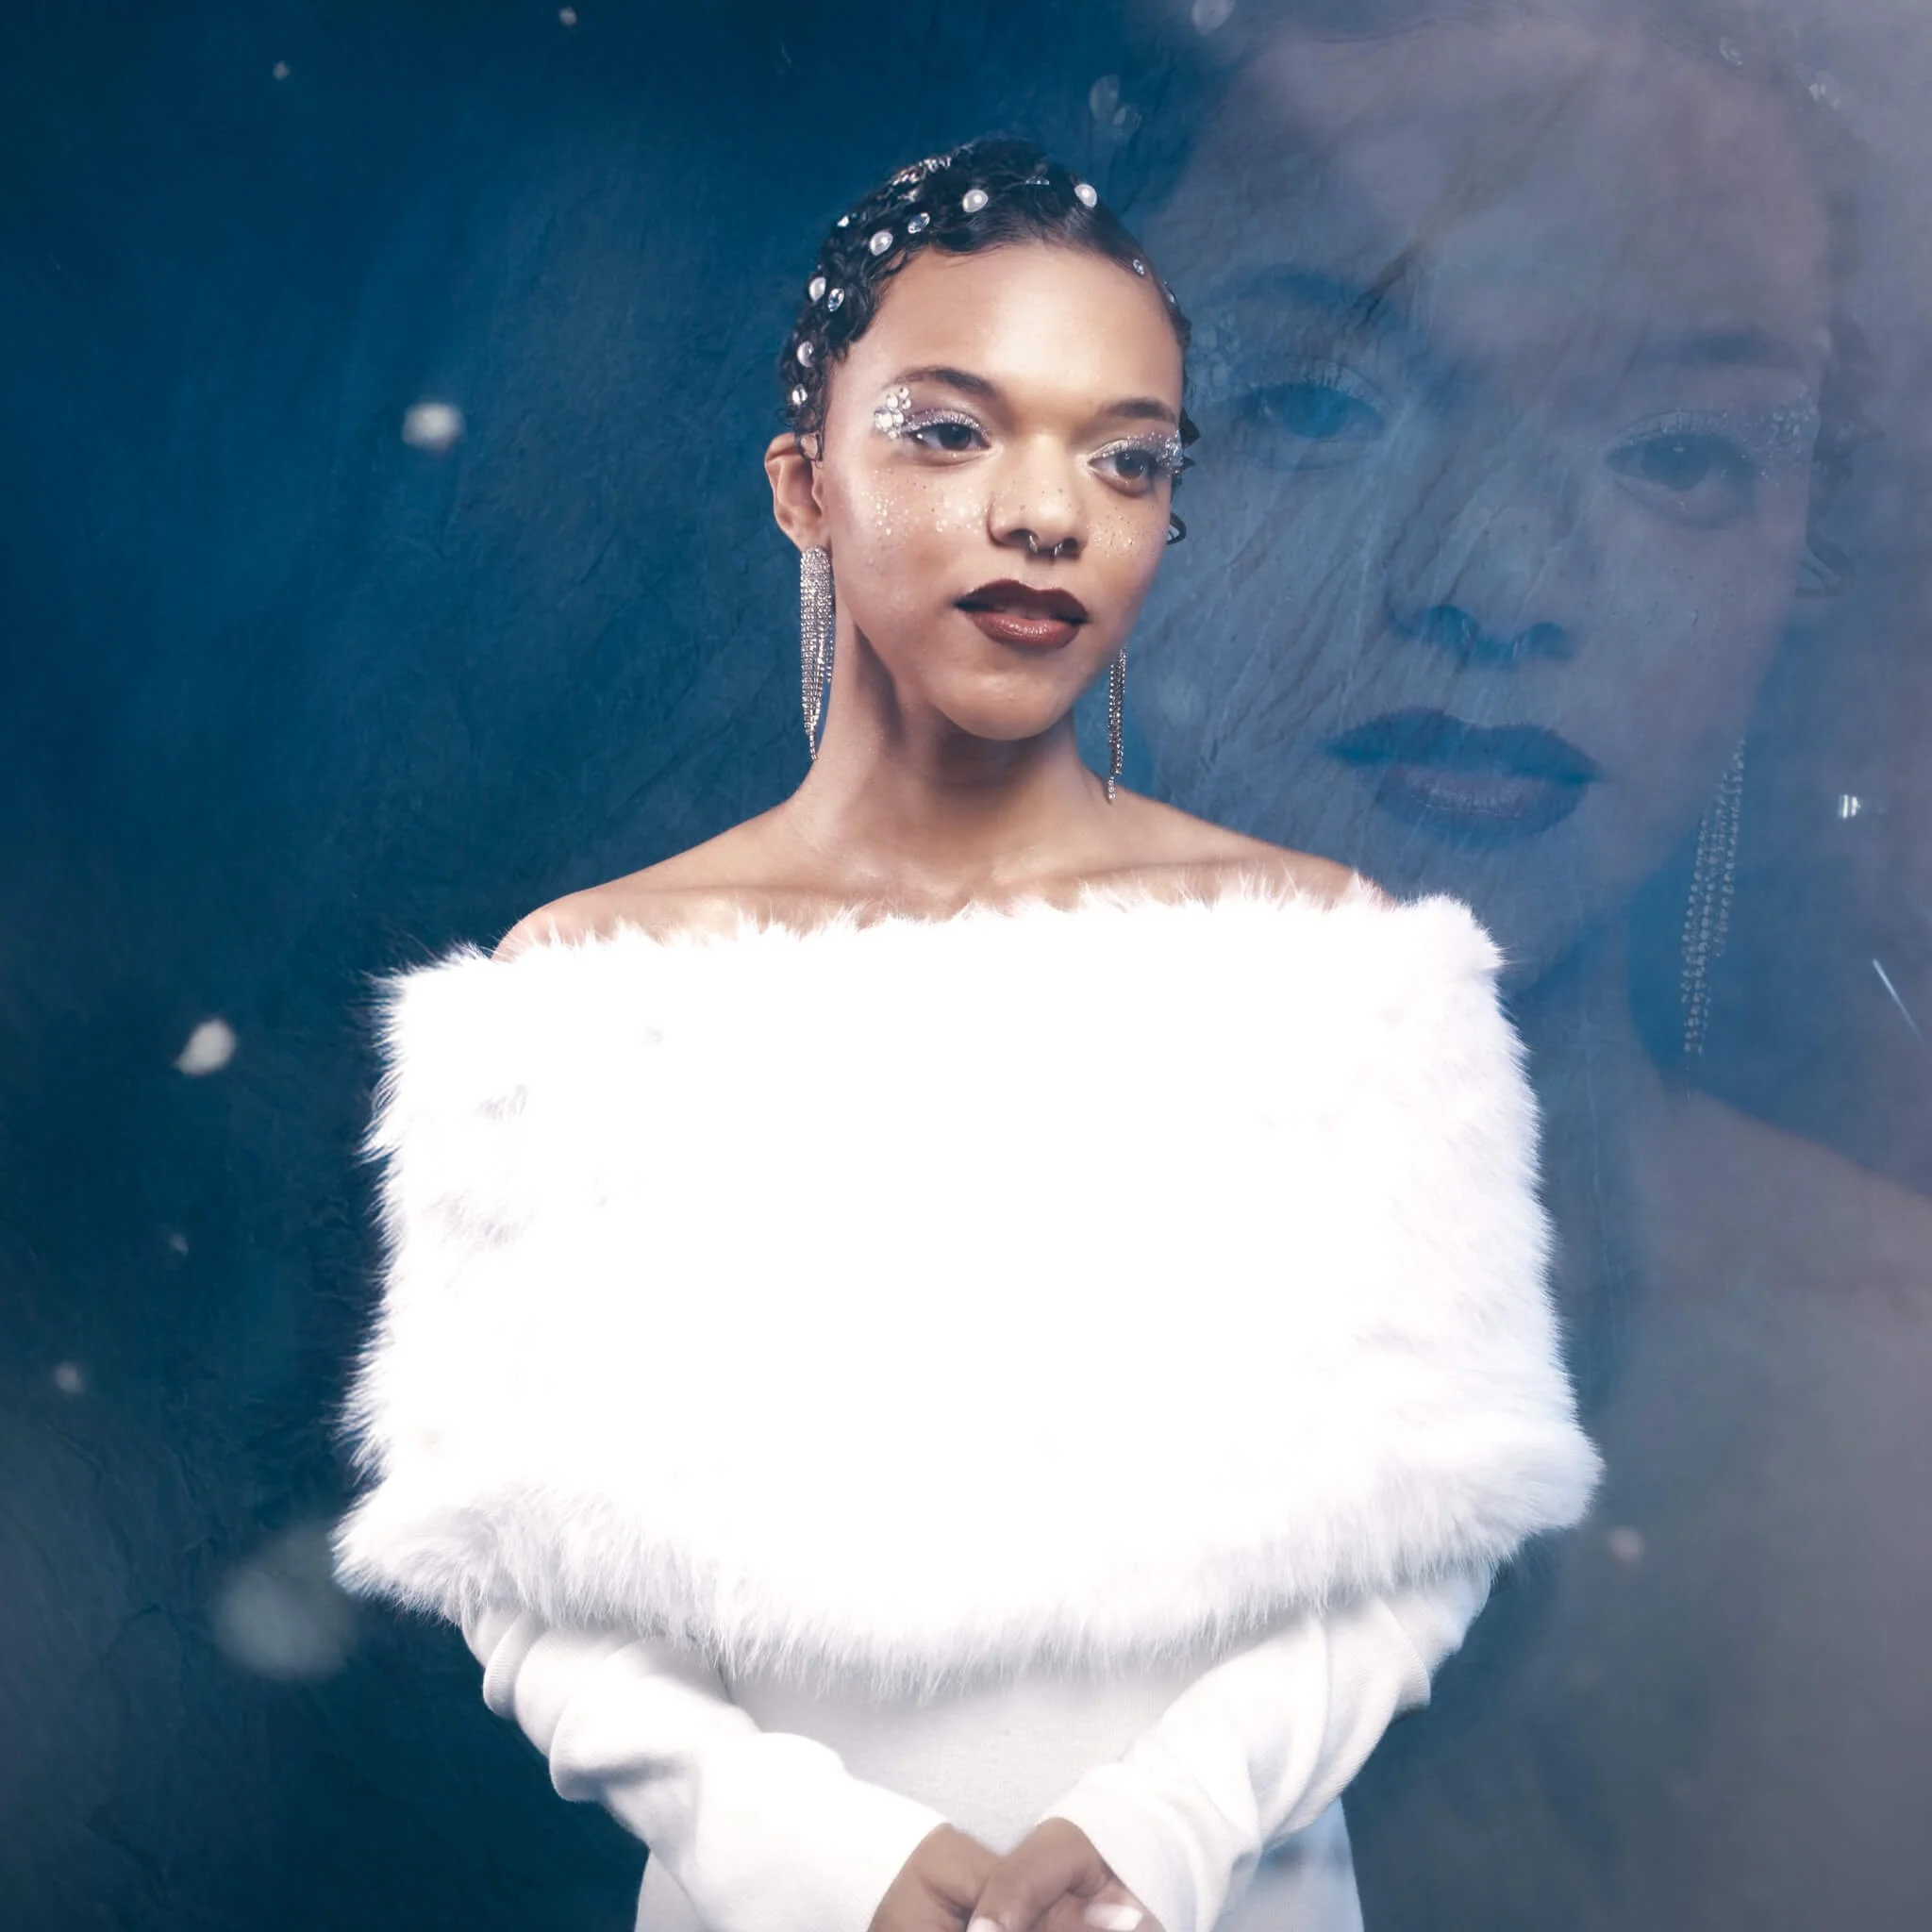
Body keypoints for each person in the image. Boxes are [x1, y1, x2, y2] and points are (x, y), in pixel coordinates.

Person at [331, 139, 1598, 1932]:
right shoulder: (585, 997)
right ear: (803, 484)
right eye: (949, 430)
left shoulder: (1333, 971)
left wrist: (1162, 1828)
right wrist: (829, 1864)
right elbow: (520, 1576)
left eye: (1127, 456)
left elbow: (1433, 1525)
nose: (1047, 513)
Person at [1132, 8, 1932, 1926]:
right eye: (1318, 401)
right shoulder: (683, 1294)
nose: (1495, 579)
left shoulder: (1884, 1407)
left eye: (1675, 452)